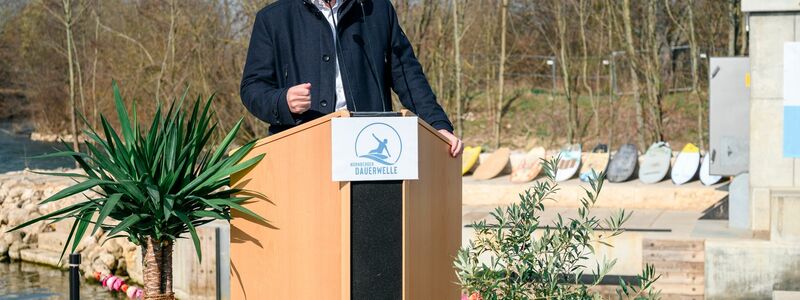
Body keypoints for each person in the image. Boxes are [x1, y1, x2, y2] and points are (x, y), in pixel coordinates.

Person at [240, 0, 463, 157]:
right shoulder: (273, 19)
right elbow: (252, 87)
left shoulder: (378, 10)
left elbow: (407, 75)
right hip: (302, 150)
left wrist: (437, 125)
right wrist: (282, 100)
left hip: (366, 151)